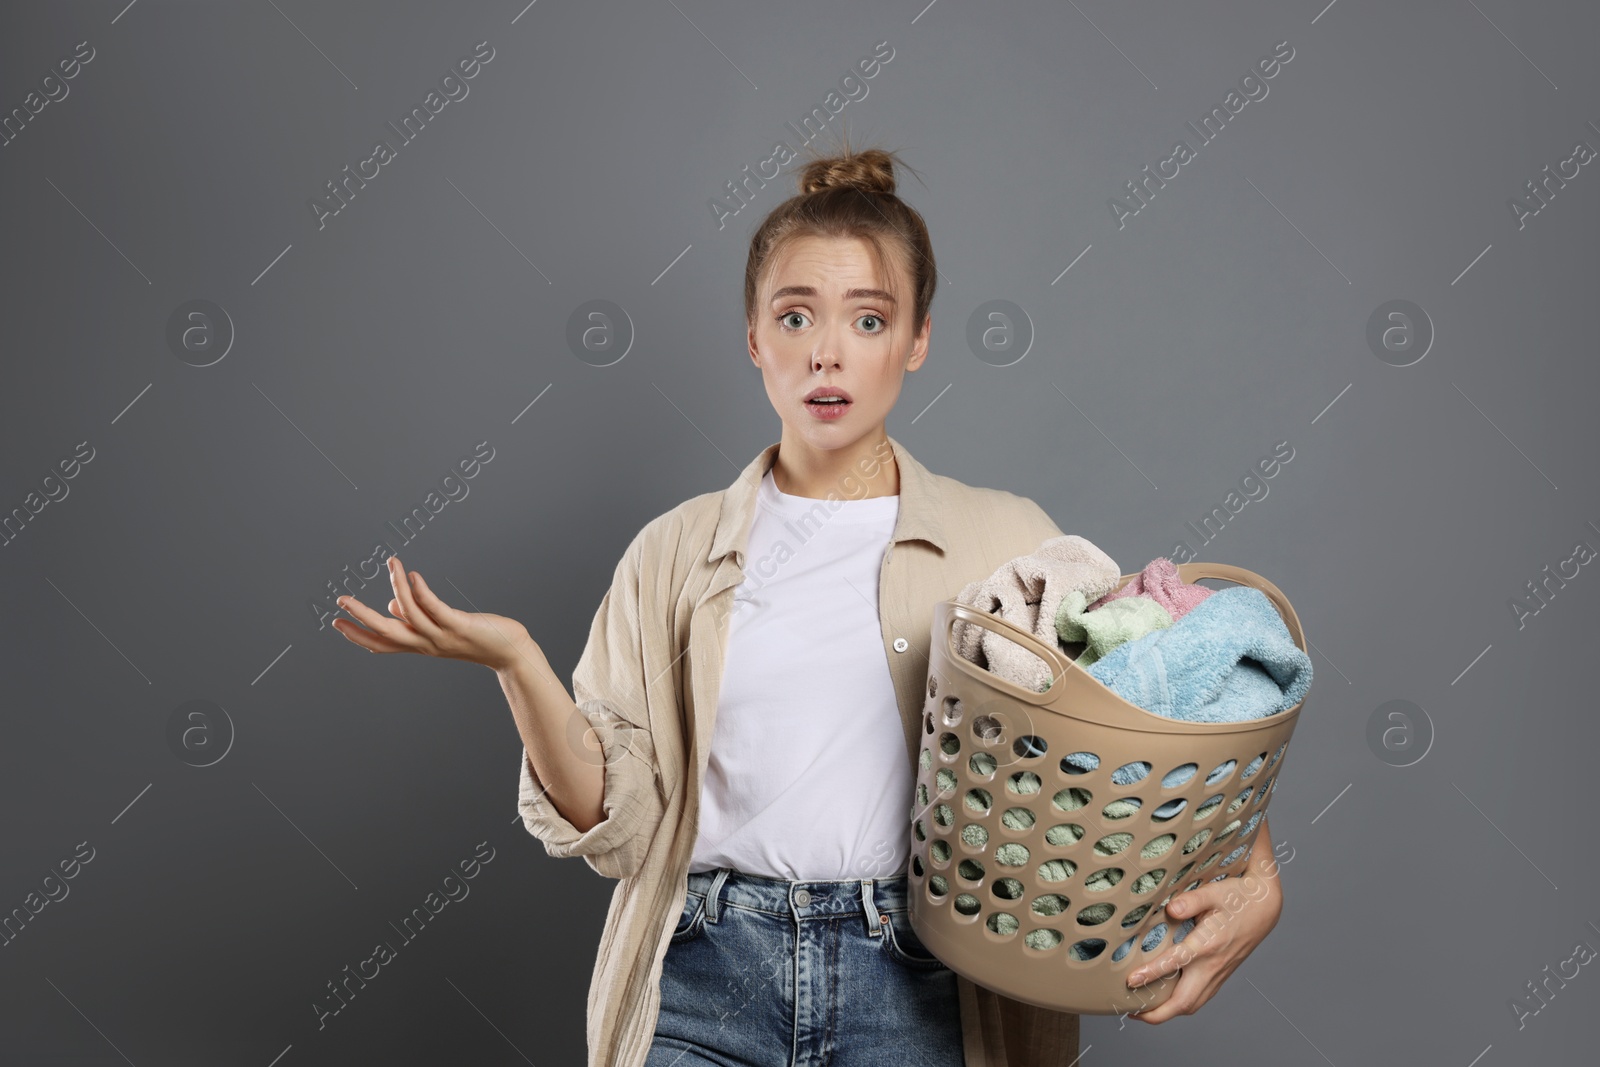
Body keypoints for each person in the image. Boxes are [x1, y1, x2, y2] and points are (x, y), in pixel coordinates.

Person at [331, 140, 1286, 1067]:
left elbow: (1151, 707)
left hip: (920, 985)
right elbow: (612, 820)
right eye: (795, 316)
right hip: (704, 973)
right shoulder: (672, 554)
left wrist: (1258, 876)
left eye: (868, 320)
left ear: (915, 340)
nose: (827, 351)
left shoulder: (1010, 541)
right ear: (753, 337)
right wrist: (518, 664)